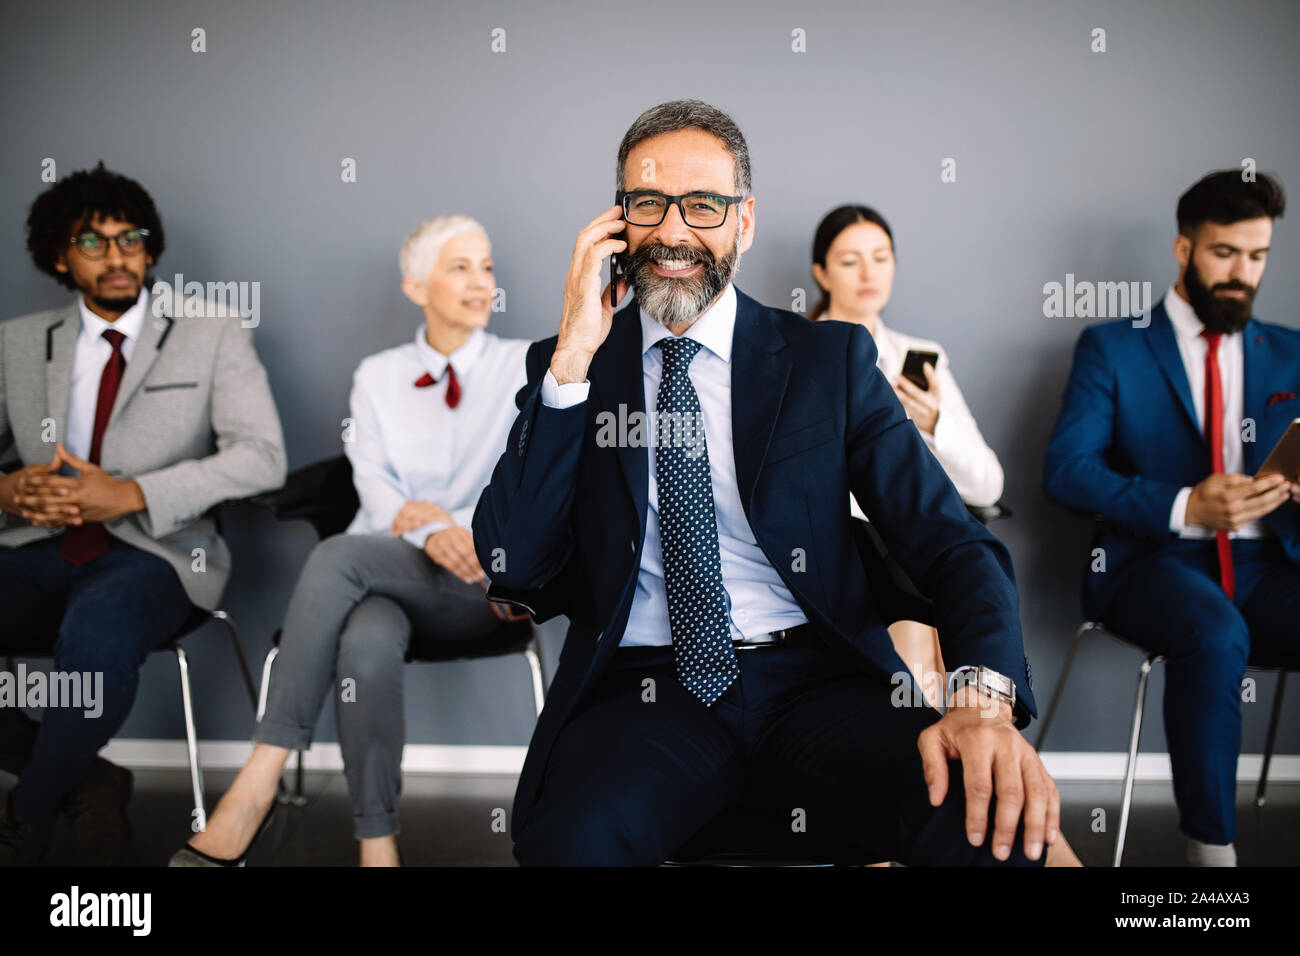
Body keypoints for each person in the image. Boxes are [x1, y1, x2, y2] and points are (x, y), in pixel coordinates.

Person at [474, 99, 1056, 866]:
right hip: (645, 691)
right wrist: (573, 361)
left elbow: (952, 543)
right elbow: (516, 566)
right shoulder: (570, 367)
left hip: (817, 681)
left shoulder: (830, 364)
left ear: (744, 222)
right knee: (572, 847)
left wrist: (981, 702)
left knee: (989, 822)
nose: (674, 231)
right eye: (648, 204)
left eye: (704, 205)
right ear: (617, 224)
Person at [170, 215, 530, 867]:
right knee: (365, 638)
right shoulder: (378, 376)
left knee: (337, 555)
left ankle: (256, 783)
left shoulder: (523, 366)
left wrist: (457, 526)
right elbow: (374, 486)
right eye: (460, 267)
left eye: (487, 267)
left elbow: (528, 477)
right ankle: (377, 845)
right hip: (387, 570)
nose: (481, 283)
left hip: (479, 579)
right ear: (416, 287)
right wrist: (426, 526)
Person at [0, 162, 286, 865]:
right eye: (91, 242)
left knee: (98, 629)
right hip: (35, 547)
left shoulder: (210, 329)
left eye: (130, 238)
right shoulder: (16, 341)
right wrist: (6, 492)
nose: (118, 255)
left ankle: (28, 813)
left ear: (150, 248)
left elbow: (261, 458)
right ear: (59, 258)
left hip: (157, 555)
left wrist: (131, 494)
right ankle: (83, 776)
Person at [1043, 170, 1299, 866]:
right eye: (1224, 254)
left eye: (1258, 256)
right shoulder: (1113, 346)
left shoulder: (1291, 349)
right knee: (1215, 635)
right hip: (1153, 565)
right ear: (1184, 250)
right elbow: (1066, 472)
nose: (1241, 275)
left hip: (1266, 564)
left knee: (1230, 625)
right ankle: (1211, 862)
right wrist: (1188, 504)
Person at [809, 204, 1004, 707]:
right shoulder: (796, 355)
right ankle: (927, 751)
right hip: (834, 544)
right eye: (851, 261)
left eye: (881, 257)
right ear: (821, 273)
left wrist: (934, 423)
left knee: (949, 592)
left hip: (905, 540)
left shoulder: (922, 359)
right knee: (919, 620)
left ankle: (947, 747)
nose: (870, 273)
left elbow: (988, 486)